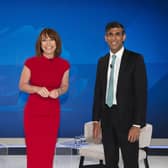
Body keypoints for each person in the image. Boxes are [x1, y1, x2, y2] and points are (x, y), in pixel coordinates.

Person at [92, 21, 147, 168]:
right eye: (110, 34)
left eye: (117, 34)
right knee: (110, 163)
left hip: (128, 122)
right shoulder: (101, 61)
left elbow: (141, 94)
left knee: (130, 163)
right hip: (107, 120)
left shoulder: (135, 59)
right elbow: (98, 92)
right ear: (105, 38)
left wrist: (137, 124)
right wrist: (96, 120)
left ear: (124, 37)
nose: (114, 38)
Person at [19, 28, 70, 168]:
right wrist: (36, 89)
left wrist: (58, 91)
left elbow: (65, 86)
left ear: (57, 43)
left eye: (51, 39)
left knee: (48, 150)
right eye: (44, 40)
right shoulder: (30, 62)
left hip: (52, 113)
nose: (48, 43)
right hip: (33, 113)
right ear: (40, 44)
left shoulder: (64, 64)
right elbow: (22, 85)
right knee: (34, 150)